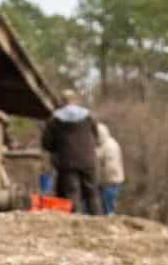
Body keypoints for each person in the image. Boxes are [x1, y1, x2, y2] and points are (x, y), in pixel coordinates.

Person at [40, 87, 103, 215]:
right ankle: (98, 221)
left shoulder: (55, 119)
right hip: (88, 160)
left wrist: (56, 149)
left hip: (67, 161)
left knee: (72, 192)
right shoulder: (88, 116)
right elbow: (97, 136)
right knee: (92, 193)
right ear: (76, 100)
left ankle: (75, 223)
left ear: (62, 101)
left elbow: (46, 143)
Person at [96, 124, 125, 215]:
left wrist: (101, 180)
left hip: (110, 181)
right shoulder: (101, 145)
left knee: (107, 204)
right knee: (103, 203)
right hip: (106, 180)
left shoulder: (110, 146)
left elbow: (110, 168)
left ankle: (109, 219)